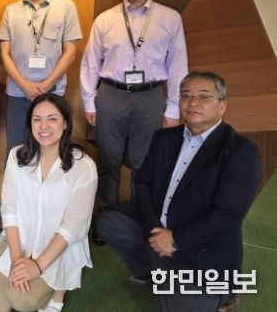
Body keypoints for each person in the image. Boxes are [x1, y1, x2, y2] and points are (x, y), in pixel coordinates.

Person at [95, 71, 262, 311]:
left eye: (204, 96)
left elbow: (228, 215)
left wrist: (175, 239)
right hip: (159, 228)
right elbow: (142, 183)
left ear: (222, 105)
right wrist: (155, 230)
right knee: (109, 223)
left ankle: (225, 293)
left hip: (201, 245)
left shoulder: (242, 151)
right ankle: (154, 272)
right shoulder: (164, 138)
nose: (193, 102)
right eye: (186, 95)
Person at [80, 0, 188, 209]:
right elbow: (90, 63)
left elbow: (178, 66)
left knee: (145, 162)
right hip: (111, 95)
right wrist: (89, 102)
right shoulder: (105, 19)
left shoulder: (171, 18)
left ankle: (142, 217)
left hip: (151, 97)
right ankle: (106, 217)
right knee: (108, 161)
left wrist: (174, 108)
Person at [0, 94, 97, 312]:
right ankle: (20, 267)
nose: (44, 126)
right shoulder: (16, 156)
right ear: (30, 123)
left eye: (52, 119)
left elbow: (73, 227)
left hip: (57, 249)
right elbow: (9, 210)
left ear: (65, 123)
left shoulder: (83, 167)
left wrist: (37, 266)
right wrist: (17, 261)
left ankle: (58, 293)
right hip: (20, 243)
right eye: (37, 119)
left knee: (23, 301)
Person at [0, 0, 82, 231]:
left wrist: (46, 84)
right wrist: (24, 84)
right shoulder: (11, 11)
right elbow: (4, 53)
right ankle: (10, 214)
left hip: (53, 94)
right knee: (16, 152)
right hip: (18, 94)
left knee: (53, 151)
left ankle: (50, 214)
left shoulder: (66, 7)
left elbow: (70, 51)